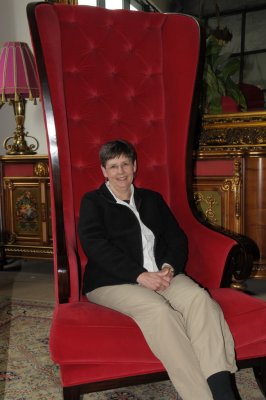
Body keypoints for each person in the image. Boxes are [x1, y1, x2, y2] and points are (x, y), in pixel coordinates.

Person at [78, 139, 238, 400]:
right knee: (160, 312)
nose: (120, 172)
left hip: (163, 275)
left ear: (135, 166)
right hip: (113, 282)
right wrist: (139, 275)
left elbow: (176, 238)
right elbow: (95, 246)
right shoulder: (93, 202)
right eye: (113, 166)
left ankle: (223, 392)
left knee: (200, 300)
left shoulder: (152, 199)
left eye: (125, 164)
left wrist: (168, 267)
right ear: (104, 171)